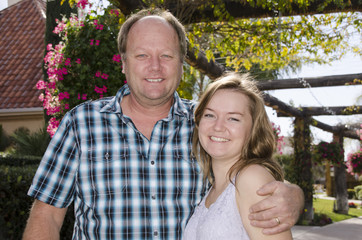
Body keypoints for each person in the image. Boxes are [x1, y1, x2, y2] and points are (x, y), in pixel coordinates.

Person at [23, 8, 303, 239]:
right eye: (142, 55)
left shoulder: (205, 124)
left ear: (182, 64)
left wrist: (293, 195)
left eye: (166, 56)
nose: (155, 67)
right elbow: (46, 215)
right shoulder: (80, 123)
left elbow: (249, 174)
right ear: (123, 63)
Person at [183, 72, 293, 239]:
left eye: (233, 118)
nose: (218, 127)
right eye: (210, 115)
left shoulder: (251, 178)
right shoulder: (213, 189)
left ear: (253, 129)